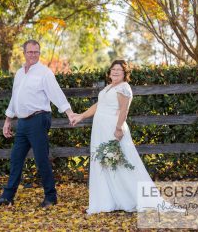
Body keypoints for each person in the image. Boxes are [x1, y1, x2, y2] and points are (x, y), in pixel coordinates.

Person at [70, 60, 182, 214]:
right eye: (113, 69)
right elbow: (98, 106)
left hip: (113, 129)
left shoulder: (124, 88)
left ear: (124, 74)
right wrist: (81, 116)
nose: (115, 72)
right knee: (104, 163)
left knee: (123, 163)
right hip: (100, 130)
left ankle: (134, 198)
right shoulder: (109, 87)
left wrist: (118, 129)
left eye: (119, 70)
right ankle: (106, 200)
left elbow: (124, 110)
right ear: (109, 72)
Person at [0, 40, 74, 208]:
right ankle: (8, 197)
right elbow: (15, 98)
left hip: (38, 119)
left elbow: (56, 93)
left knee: (41, 159)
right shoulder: (19, 73)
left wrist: (69, 113)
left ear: (39, 53)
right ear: (24, 53)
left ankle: (51, 197)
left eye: (36, 52)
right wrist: (7, 120)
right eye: (30, 52)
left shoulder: (44, 73)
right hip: (22, 122)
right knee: (16, 158)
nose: (33, 55)